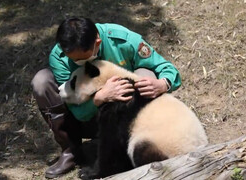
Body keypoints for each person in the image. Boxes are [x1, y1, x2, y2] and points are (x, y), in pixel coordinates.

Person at [31, 17, 181, 178]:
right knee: (41, 81)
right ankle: (71, 151)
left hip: (127, 118)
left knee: (145, 74)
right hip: (86, 119)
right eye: (75, 60)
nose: (79, 62)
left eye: (83, 58)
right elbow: (76, 110)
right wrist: (98, 99)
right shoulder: (60, 57)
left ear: (98, 41)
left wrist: (163, 83)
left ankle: (144, 145)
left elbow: (165, 68)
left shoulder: (123, 40)